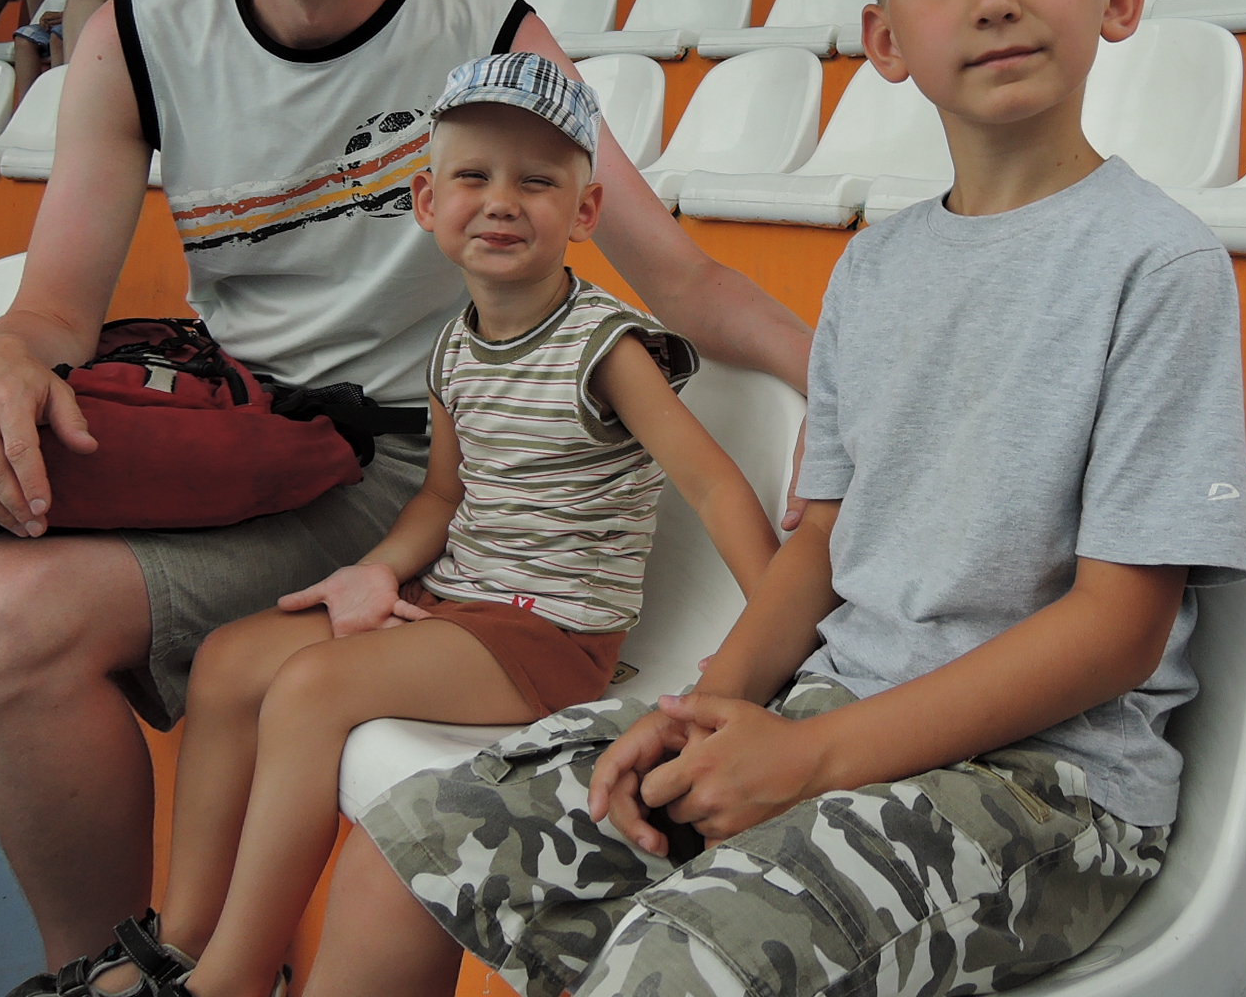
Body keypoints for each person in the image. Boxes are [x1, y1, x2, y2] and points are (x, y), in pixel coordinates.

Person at [0, 0, 813, 997]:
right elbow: (53, 308)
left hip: (395, 464)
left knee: (4, 623)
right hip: (236, 435)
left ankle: (132, 971)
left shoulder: (490, 32)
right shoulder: (141, 34)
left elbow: (683, 281)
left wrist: (844, 389)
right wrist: (4, 355)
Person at [331, 0, 1246, 997]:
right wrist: (706, 708)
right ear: (884, 40)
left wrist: (812, 760)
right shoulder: (873, 270)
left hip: (1050, 789)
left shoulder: (1160, 265)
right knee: (416, 849)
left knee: (682, 960)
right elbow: (820, 544)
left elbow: (1117, 629)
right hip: (829, 710)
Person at [82, 53, 781, 997]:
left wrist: (774, 639)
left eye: (537, 182)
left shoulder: (605, 347)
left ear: (584, 211)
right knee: (229, 660)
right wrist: (377, 571)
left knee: (311, 690)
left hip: (550, 636)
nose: (501, 202)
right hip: (458, 603)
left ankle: (232, 981)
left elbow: (715, 487)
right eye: (473, 176)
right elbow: (441, 500)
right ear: (426, 201)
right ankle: (186, 943)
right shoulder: (455, 345)